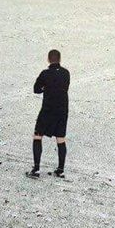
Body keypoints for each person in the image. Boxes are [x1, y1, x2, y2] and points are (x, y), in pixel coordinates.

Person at [27, 49, 70, 179]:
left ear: (48, 59)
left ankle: (36, 168)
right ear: (60, 59)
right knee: (60, 138)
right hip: (62, 110)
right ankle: (60, 169)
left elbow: (36, 89)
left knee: (38, 136)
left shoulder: (45, 74)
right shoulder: (66, 73)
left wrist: (45, 87)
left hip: (47, 109)